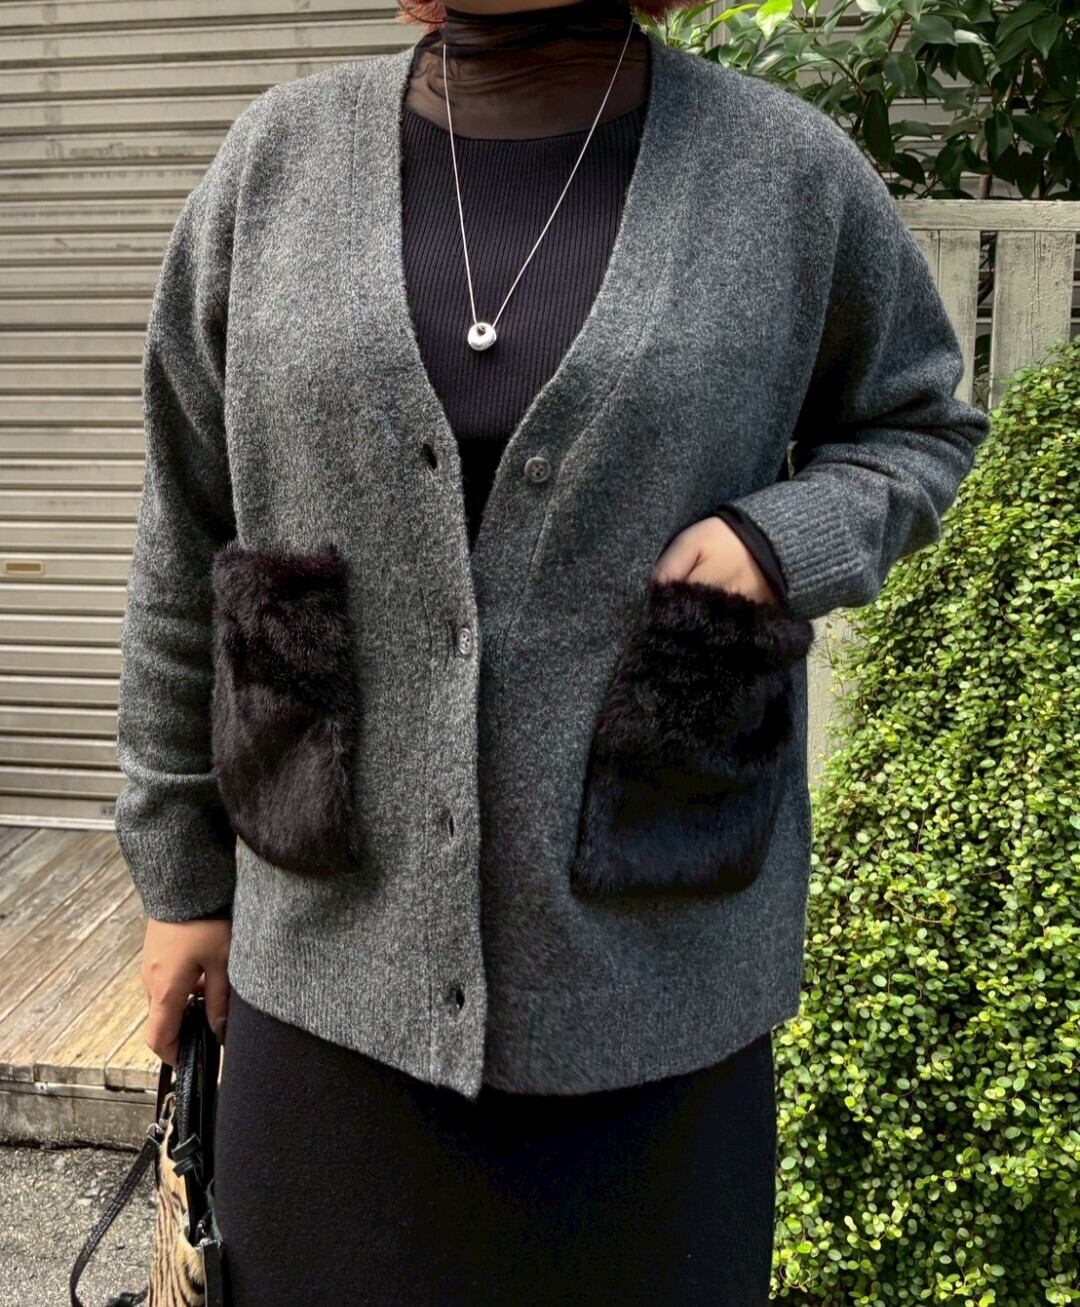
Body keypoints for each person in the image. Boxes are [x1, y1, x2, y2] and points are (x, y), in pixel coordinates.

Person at [115, 0, 991, 1302]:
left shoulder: (784, 173)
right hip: (333, 969)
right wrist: (182, 878)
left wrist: (781, 538)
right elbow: (187, 527)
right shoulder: (272, 166)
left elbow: (920, 424)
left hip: (656, 974)